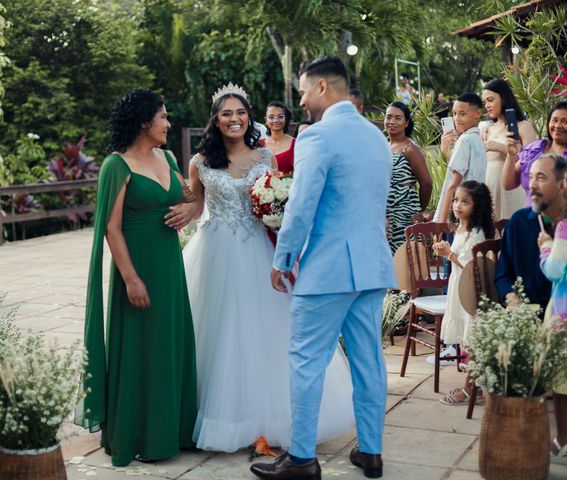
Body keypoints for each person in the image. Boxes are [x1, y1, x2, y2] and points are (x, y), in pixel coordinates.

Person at [167, 83, 355, 453]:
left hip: (258, 249)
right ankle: (217, 418)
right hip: (216, 249)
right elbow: (196, 204)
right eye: (226, 114)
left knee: (268, 330)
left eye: (240, 113)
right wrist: (177, 209)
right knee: (218, 331)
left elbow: (281, 202)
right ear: (216, 121)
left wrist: (280, 219)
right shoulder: (200, 162)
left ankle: (274, 422)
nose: (234, 119)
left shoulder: (265, 158)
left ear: (248, 116)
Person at [251, 57, 396, 480]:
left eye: (302, 90)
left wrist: (282, 260)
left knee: (306, 360)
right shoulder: (375, 137)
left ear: (321, 88)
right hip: (370, 265)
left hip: (328, 268)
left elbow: (301, 205)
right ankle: (371, 453)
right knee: (369, 361)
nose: (300, 99)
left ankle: (301, 460)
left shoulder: (317, 136)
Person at [76, 89, 197, 466]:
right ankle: (140, 435)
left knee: (169, 344)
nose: (168, 123)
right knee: (142, 350)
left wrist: (185, 209)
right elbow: (111, 229)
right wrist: (130, 279)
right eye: (163, 117)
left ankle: (173, 431)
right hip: (138, 267)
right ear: (145, 122)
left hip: (169, 265)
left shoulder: (169, 156)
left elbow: (188, 195)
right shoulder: (117, 165)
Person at [433, 181, 495, 405]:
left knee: (472, 340)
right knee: (468, 340)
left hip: (469, 290)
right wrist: (445, 252)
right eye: (456, 200)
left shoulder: (476, 234)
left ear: (476, 207)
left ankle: (470, 390)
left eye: (465, 202)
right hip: (458, 287)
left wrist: (449, 255)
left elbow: (472, 268)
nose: (458, 205)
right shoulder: (461, 228)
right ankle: (473, 387)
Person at [495, 153, 567, 311]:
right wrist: (512, 298)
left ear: (562, 185)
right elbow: (503, 275)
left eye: (541, 178)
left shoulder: (565, 228)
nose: (532, 185)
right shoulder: (519, 222)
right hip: (525, 315)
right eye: (530, 177)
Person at [537, 156, 567, 457]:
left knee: (562, 383)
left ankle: (563, 440)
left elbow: (556, 270)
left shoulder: (564, 228)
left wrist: (544, 247)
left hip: (564, 315)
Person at [481, 78, 537, 220]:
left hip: (513, 188)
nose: (487, 105)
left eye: (490, 100)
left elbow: (531, 161)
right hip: (490, 187)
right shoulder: (488, 130)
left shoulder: (523, 126)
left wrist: (500, 147)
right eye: (485, 102)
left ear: (503, 98)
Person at [384, 101, 433, 253]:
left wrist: (419, 211)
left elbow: (426, 184)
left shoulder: (411, 148)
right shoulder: (383, 145)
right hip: (386, 215)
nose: (391, 121)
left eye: (398, 118)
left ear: (406, 123)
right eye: (389, 117)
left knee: (405, 260)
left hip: (405, 214)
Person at [434, 93, 487, 223]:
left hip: (458, 211)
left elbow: (453, 184)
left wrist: (441, 222)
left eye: (462, 114)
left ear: (477, 113)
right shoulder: (478, 139)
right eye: (455, 113)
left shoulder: (464, 140)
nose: (457, 118)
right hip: (475, 208)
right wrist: (445, 151)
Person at [503, 100, 567, 204]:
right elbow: (508, 184)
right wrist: (511, 154)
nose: (558, 126)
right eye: (554, 120)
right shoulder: (535, 150)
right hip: (531, 217)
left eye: (565, 121)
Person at [263, 100, 296, 174]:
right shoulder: (259, 145)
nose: (276, 120)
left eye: (280, 116)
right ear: (266, 120)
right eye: (271, 117)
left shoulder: (296, 144)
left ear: (286, 118)